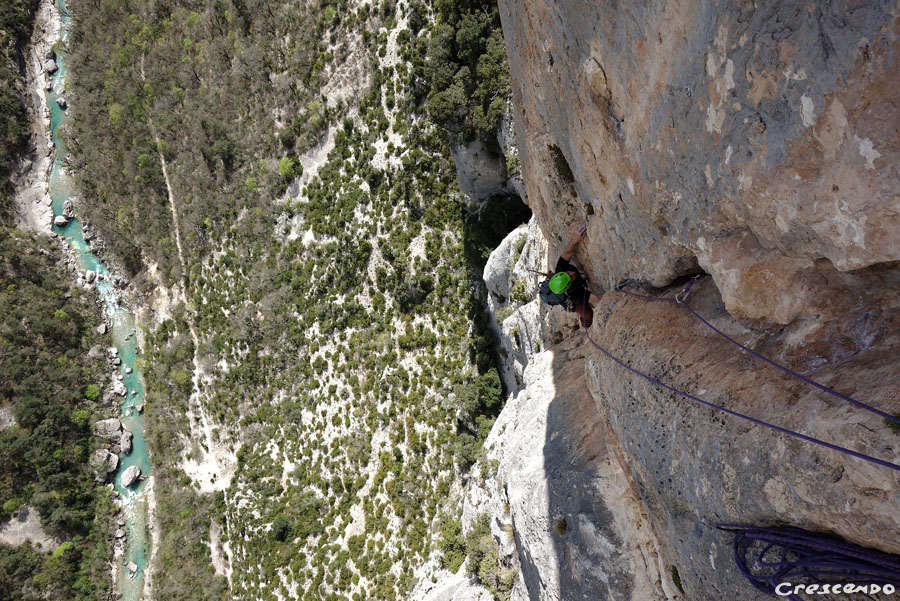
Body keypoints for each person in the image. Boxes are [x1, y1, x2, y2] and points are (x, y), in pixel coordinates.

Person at [541, 224, 600, 327]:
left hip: (571, 290)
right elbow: (598, 298)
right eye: (571, 277)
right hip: (574, 301)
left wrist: (576, 238)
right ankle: (585, 326)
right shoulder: (575, 294)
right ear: (568, 286)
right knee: (588, 315)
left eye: (568, 273)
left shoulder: (560, 269)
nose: (572, 273)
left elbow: (568, 252)